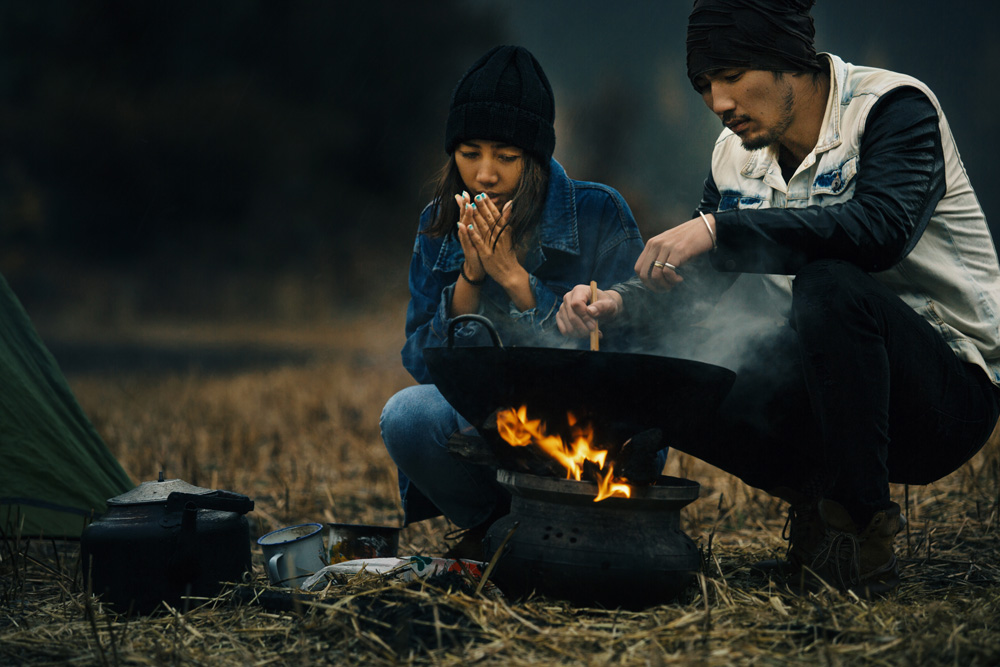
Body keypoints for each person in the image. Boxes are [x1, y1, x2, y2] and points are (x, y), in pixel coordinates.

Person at [556, 0, 1000, 597]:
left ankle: (859, 537)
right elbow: (698, 288)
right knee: (683, 351)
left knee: (830, 284)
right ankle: (815, 514)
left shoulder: (893, 109)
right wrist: (621, 303)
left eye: (733, 77)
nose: (719, 103)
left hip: (946, 394)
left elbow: (880, 230)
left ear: (789, 58)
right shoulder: (732, 156)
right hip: (832, 387)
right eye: (706, 86)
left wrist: (721, 228)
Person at [380, 45, 649, 559]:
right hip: (491, 428)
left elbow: (637, 353)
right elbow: (421, 361)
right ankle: (500, 527)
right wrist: (471, 277)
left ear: (536, 158)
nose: (484, 174)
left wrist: (516, 279)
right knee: (407, 416)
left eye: (506, 157)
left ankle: (582, 525)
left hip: (591, 432)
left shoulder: (598, 211)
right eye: (468, 153)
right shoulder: (437, 222)